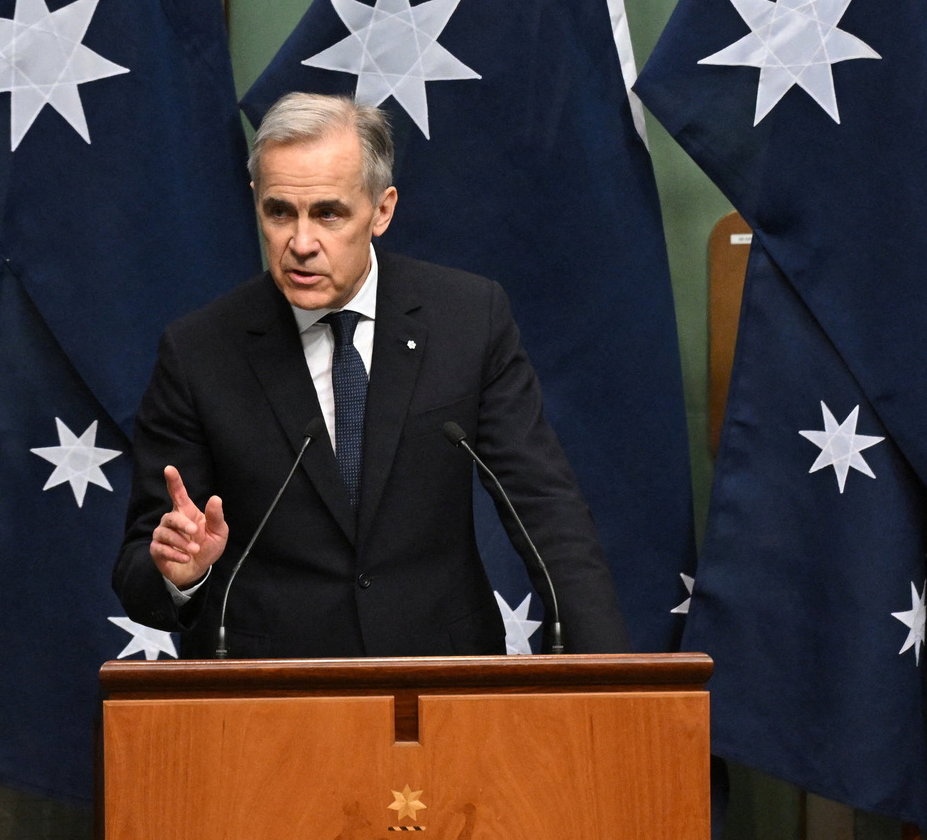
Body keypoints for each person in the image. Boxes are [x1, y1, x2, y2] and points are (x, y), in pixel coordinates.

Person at [112, 92, 627, 658]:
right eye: (279, 212)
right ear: (256, 200)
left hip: (442, 677)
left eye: (328, 214)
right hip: (270, 690)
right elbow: (141, 564)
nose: (300, 244)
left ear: (382, 210)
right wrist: (180, 575)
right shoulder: (199, 352)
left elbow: (544, 509)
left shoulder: (467, 319)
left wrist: (606, 676)